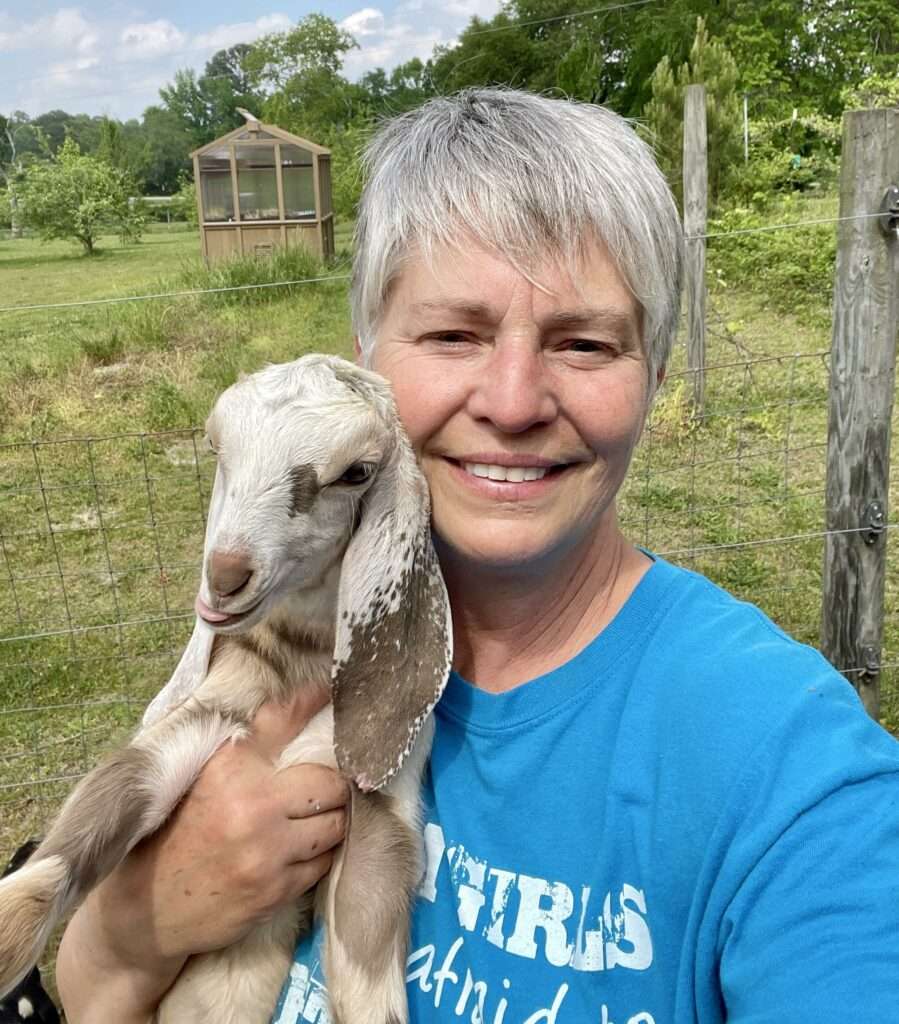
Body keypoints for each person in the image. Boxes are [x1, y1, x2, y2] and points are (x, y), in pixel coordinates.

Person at [57, 89, 899, 1024]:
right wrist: (139, 927)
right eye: (453, 333)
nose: (510, 401)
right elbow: (93, 994)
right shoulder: (285, 641)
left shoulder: (786, 772)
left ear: (653, 378)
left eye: (583, 343)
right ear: (363, 364)